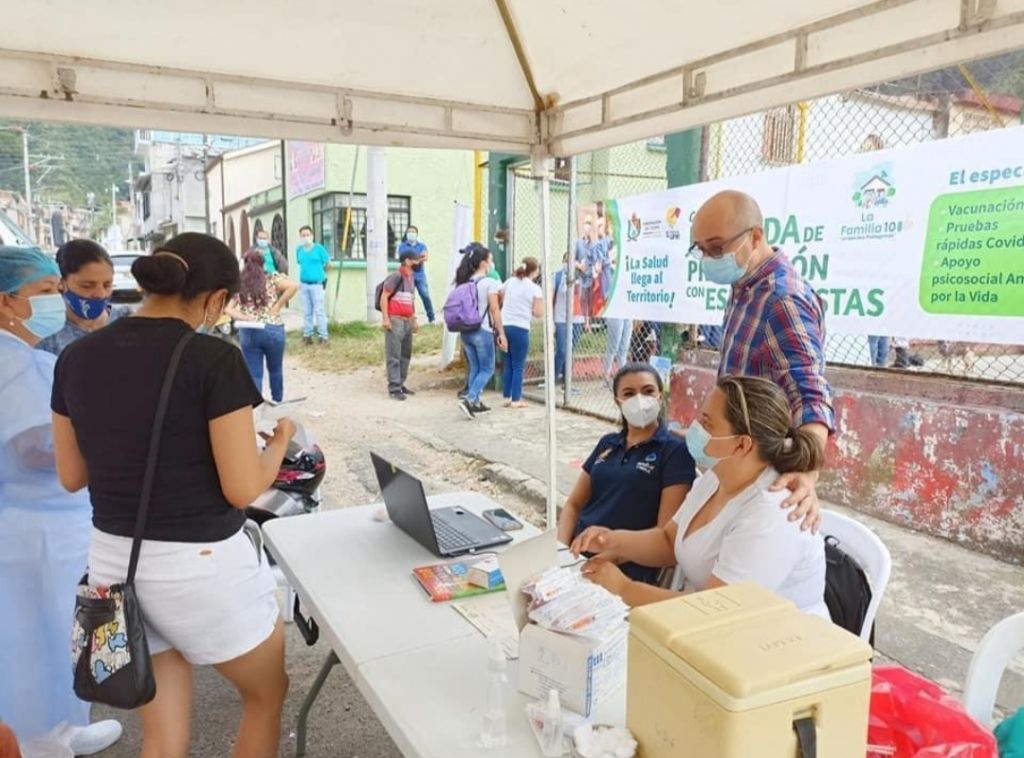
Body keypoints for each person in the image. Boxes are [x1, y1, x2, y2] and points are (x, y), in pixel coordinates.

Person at [51, 233, 293, 757]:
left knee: (162, 738)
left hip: (116, 567)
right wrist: (281, 443)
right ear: (214, 300)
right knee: (267, 693)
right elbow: (242, 486)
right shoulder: (213, 359)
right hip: (201, 567)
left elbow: (72, 475)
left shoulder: (76, 358)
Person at [572, 375, 828, 618]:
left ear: (741, 445)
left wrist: (624, 589)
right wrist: (611, 541)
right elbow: (668, 540)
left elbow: (714, 611)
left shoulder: (773, 511)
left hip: (778, 648)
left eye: (706, 424)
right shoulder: (715, 477)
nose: (694, 428)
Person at [0, 246, 122, 754]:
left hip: (57, 520)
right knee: (35, 639)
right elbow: (33, 450)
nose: (59, 301)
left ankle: (66, 724)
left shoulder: (28, 354)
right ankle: (36, 738)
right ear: (7, 302)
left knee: (66, 630)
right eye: (46, 292)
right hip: (37, 527)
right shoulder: (12, 362)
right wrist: (110, 443)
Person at [688, 190, 834, 528]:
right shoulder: (745, 286)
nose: (709, 259)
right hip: (736, 463)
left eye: (717, 248)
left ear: (755, 236)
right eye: (702, 250)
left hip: (763, 476)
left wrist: (805, 474)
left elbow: (809, 392)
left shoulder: (782, 300)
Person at [557, 363, 697, 584]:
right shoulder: (608, 443)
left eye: (648, 391)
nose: (640, 399)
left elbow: (664, 533)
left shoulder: (674, 450)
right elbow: (573, 505)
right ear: (617, 402)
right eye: (629, 394)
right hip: (576, 555)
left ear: (660, 396)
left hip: (625, 568)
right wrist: (561, 550)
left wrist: (607, 557)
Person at [36, 239, 133, 356]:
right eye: (87, 286)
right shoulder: (48, 335)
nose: (100, 294)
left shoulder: (126, 321)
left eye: (107, 285)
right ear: (61, 282)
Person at [225, 248, 298, 403]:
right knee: (275, 369)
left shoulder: (240, 283)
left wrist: (245, 317)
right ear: (263, 263)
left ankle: (256, 406)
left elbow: (228, 308)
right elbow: (293, 286)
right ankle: (277, 402)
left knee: (254, 372)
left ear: (245, 264)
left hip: (249, 331)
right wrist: (277, 307)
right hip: (273, 329)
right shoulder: (272, 278)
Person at [456, 243, 506, 419]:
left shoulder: (466, 282)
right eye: (490, 260)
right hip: (482, 330)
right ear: (484, 263)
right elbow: (494, 309)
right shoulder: (490, 283)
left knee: (476, 368)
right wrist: (501, 333)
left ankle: (475, 402)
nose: (492, 264)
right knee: (487, 368)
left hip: (466, 331)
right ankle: (469, 399)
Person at [500, 257, 543, 408]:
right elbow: (538, 313)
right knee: (518, 364)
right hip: (521, 327)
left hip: (505, 325)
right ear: (534, 271)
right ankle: (516, 399)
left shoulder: (510, 282)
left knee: (508, 363)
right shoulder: (535, 288)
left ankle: (506, 396)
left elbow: (501, 296)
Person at [380, 249, 419, 401]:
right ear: (407, 261)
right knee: (394, 354)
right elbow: (384, 296)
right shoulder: (396, 276)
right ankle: (394, 387)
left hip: (407, 320)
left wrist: (414, 320)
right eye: (415, 260)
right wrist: (386, 319)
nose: (418, 263)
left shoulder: (411, 278)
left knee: (405, 354)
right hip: (395, 319)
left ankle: (401, 383)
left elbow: (411, 299)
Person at [295, 225, 330, 345]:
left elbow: (327, 264)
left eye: (307, 235)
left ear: (312, 236)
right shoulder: (299, 250)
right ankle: (307, 335)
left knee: (319, 311)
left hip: (317, 284)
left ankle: (323, 336)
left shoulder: (319, 248)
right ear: (300, 237)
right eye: (303, 235)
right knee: (306, 311)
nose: (305, 237)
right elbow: (300, 264)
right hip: (304, 285)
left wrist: (321, 275)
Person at [553, 252, 583, 386]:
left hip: (577, 318)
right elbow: (552, 297)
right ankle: (553, 376)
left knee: (571, 350)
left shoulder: (582, 277)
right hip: (561, 317)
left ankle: (567, 380)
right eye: (566, 261)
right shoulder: (557, 276)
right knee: (562, 349)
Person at [397, 225, 434, 324]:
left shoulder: (422, 245)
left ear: (416, 234)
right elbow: (404, 259)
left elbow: (425, 257)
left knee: (425, 295)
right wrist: (418, 258)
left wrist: (414, 259)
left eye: (413, 232)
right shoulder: (402, 246)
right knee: (409, 298)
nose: (411, 234)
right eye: (409, 232)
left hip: (420, 275)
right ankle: (411, 319)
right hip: (407, 275)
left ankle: (431, 318)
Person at [574, 217, 596, 330]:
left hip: (591, 276)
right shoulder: (577, 243)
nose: (587, 229)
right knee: (582, 298)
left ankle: (589, 322)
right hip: (580, 277)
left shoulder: (594, 244)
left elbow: (596, 259)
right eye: (585, 226)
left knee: (590, 300)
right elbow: (572, 260)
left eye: (589, 227)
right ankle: (583, 321)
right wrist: (579, 266)